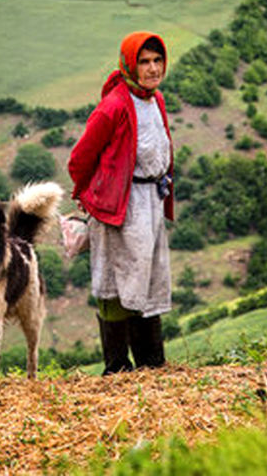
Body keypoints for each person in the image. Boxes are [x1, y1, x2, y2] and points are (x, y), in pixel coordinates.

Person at [67, 31, 174, 373]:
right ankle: (117, 366)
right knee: (116, 280)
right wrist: (89, 195)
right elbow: (80, 159)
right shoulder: (113, 106)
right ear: (130, 64)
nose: (153, 68)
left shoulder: (154, 100)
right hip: (121, 207)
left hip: (150, 202)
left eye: (157, 60)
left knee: (147, 276)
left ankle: (151, 362)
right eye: (144, 61)